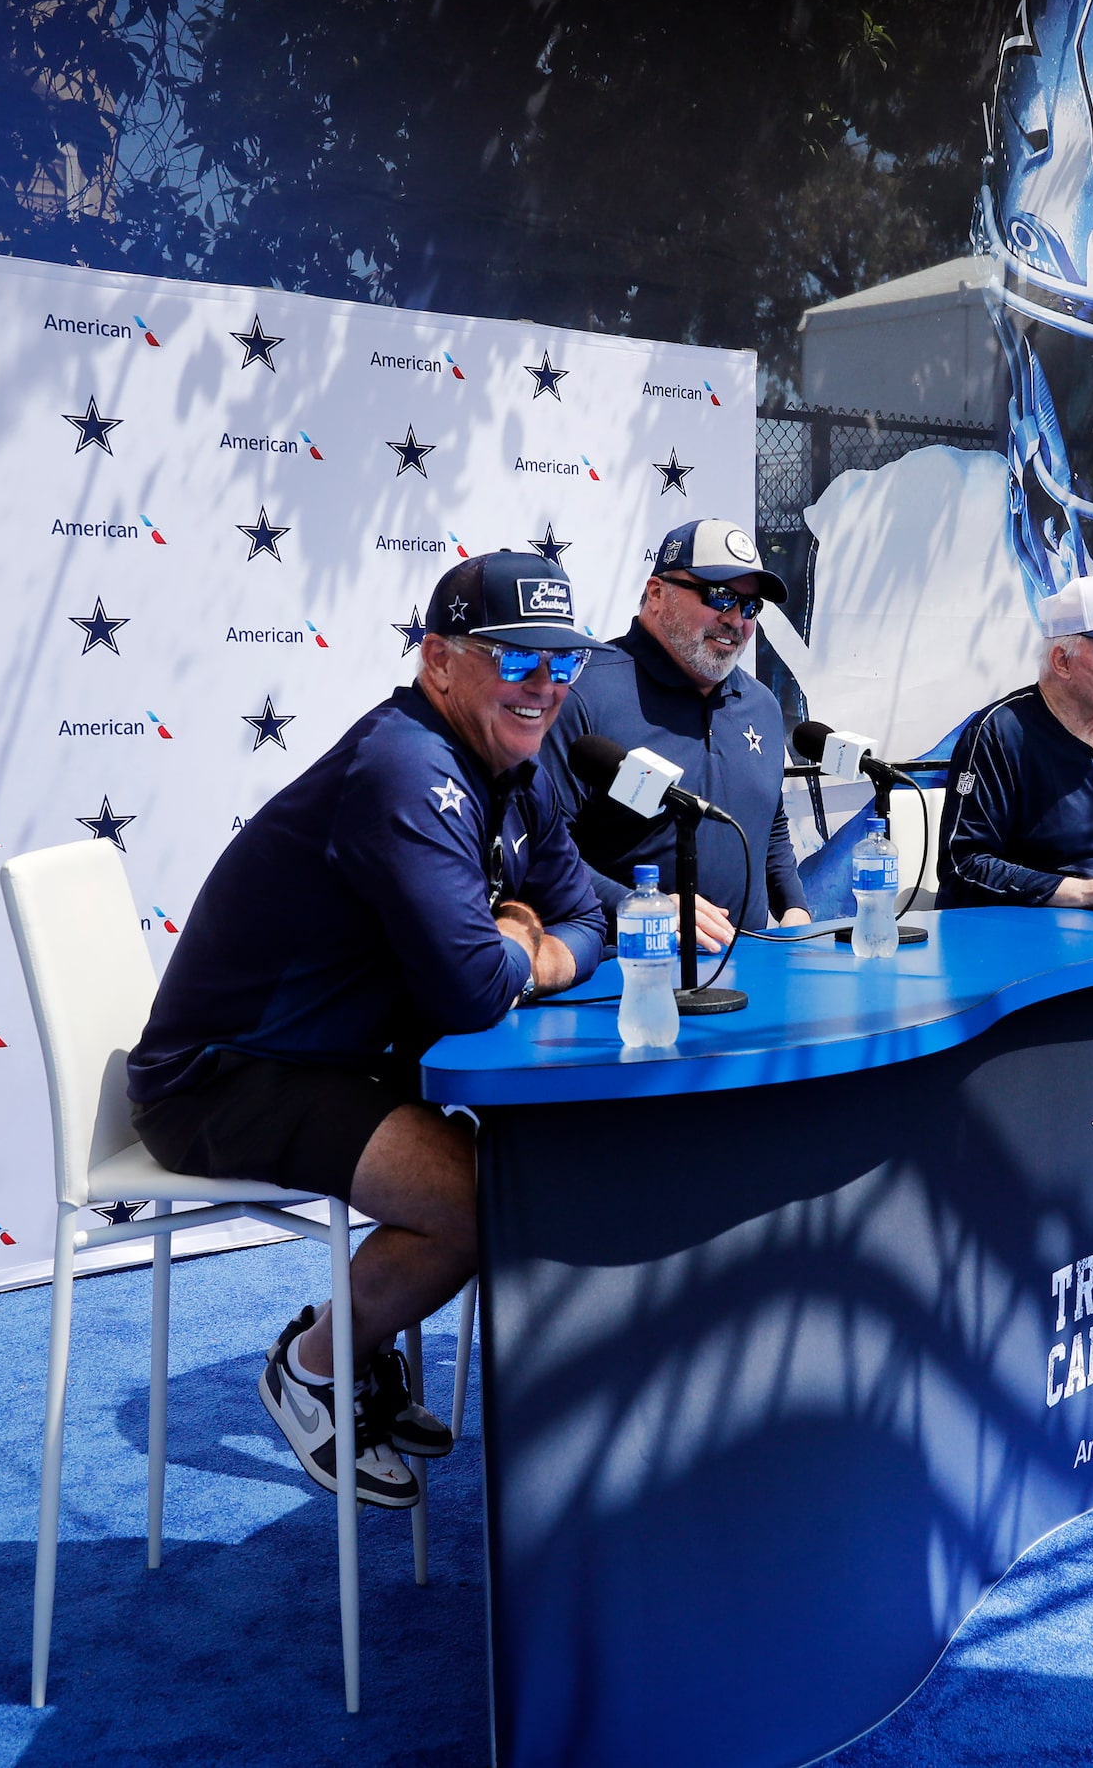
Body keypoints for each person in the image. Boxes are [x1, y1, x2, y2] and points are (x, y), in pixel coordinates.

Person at [125, 551, 606, 1511]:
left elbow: (583, 912)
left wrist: (534, 943)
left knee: (523, 1168)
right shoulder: (403, 766)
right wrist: (524, 940)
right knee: (478, 1199)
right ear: (438, 661)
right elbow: (473, 989)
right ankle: (309, 1368)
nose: (545, 689)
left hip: (339, 1063)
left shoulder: (520, 758)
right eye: (517, 662)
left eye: (563, 664)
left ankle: (360, 1347)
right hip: (221, 1076)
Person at [538, 519, 813, 949]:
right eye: (719, 595)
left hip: (756, 975)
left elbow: (768, 821)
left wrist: (794, 906)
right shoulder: (582, 694)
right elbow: (540, 847)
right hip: (625, 977)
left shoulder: (760, 703)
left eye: (750, 606)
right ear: (656, 594)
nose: (735, 619)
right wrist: (642, 908)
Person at [937, 575, 1093, 912]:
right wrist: (1082, 891)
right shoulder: (1000, 734)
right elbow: (963, 867)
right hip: (1025, 937)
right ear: (1062, 661)